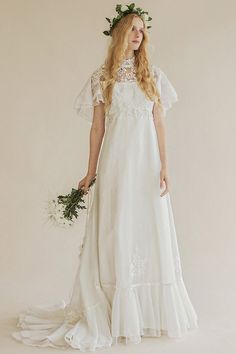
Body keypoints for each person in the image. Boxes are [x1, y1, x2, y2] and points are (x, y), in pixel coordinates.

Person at [11, 3, 199, 351]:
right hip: (116, 164)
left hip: (145, 166)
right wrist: (90, 170)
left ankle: (143, 314)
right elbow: (97, 128)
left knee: (146, 227)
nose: (139, 35)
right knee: (116, 227)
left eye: (143, 30)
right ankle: (113, 309)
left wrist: (165, 167)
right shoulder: (103, 78)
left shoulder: (153, 76)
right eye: (133, 29)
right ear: (120, 35)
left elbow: (159, 123)